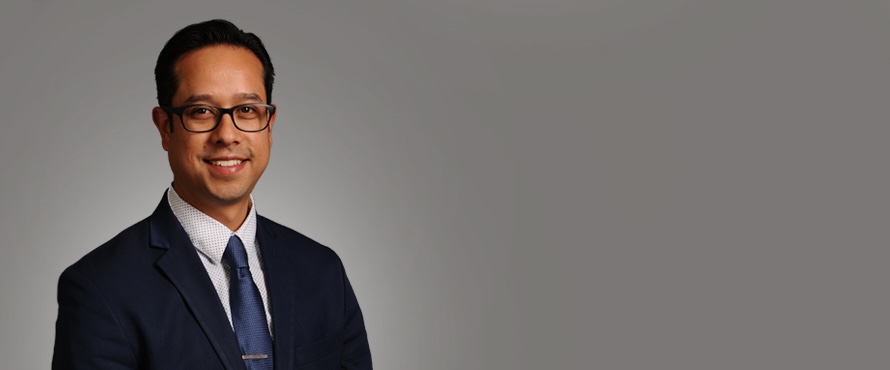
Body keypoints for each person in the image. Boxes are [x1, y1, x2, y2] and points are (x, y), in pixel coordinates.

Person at [52, 19, 372, 369]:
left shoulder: (322, 271)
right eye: (201, 111)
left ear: (269, 125)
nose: (227, 134)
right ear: (165, 128)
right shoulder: (101, 288)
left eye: (247, 110)